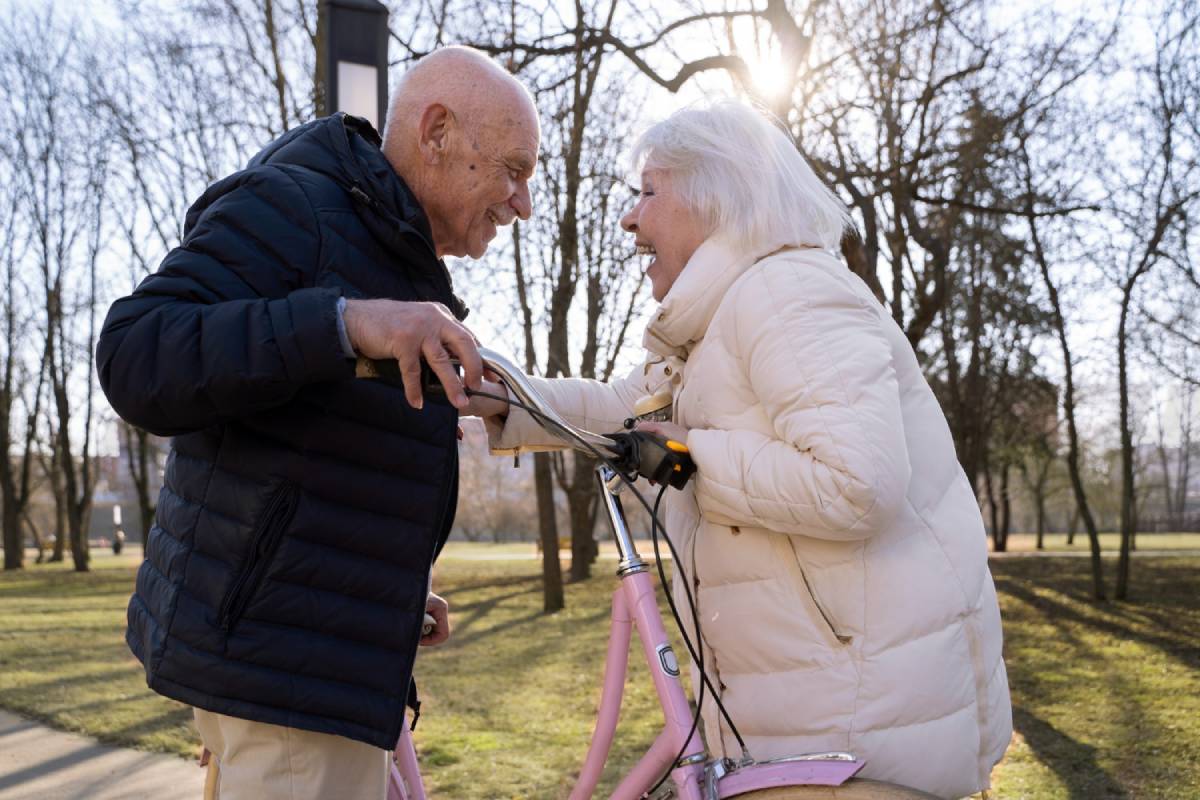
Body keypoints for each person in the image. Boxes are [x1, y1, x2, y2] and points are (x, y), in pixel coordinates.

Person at [467, 101, 1011, 799]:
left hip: (853, 729)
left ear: (715, 198)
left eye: (649, 191)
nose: (630, 218)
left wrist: (688, 461)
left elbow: (858, 483)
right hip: (810, 712)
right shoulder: (715, 325)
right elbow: (623, 410)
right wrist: (495, 391)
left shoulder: (787, 293)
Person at [97, 47, 539, 799]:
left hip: (300, 668)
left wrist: (390, 589)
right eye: (513, 170)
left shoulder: (385, 243)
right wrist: (345, 322)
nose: (521, 203)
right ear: (436, 133)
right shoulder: (299, 208)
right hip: (286, 683)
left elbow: (318, 459)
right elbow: (136, 352)